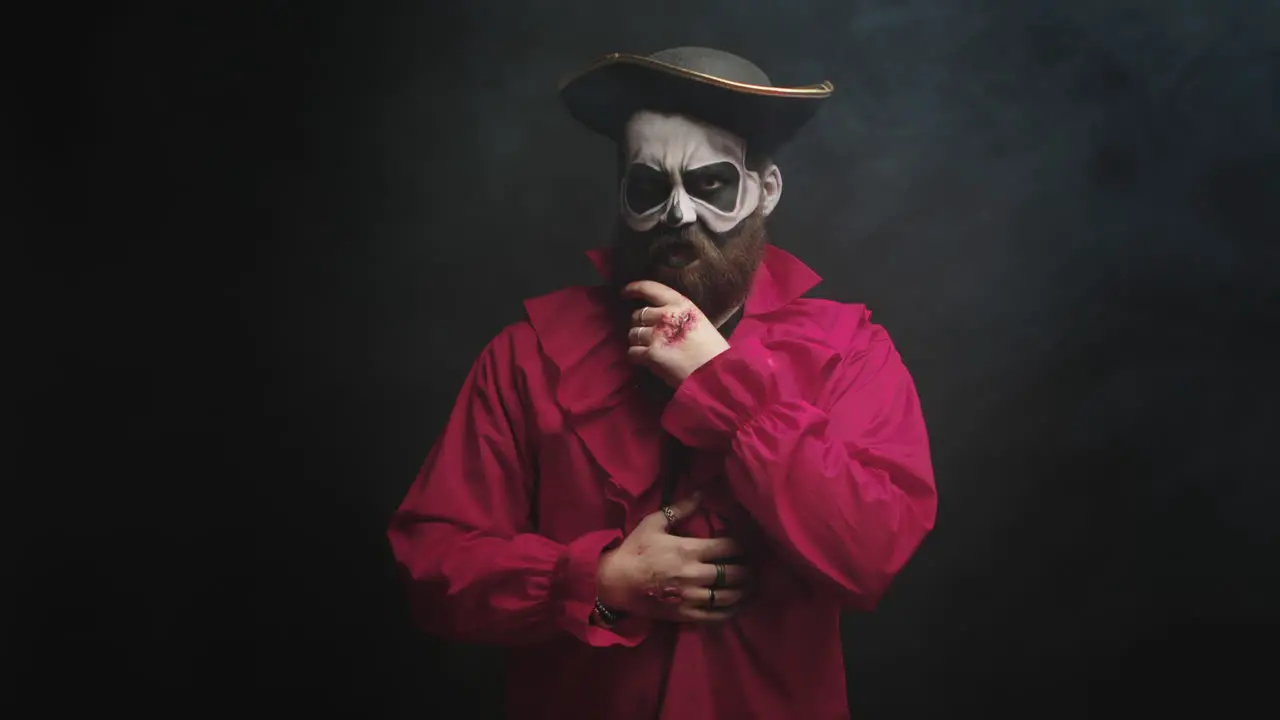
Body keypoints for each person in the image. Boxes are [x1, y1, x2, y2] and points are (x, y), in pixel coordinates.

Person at [388, 47, 938, 719]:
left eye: (710, 184)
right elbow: (432, 566)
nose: (679, 214)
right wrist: (602, 581)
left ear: (764, 190)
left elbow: (869, 554)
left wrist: (724, 387)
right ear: (623, 196)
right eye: (650, 188)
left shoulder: (851, 353)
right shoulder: (525, 356)